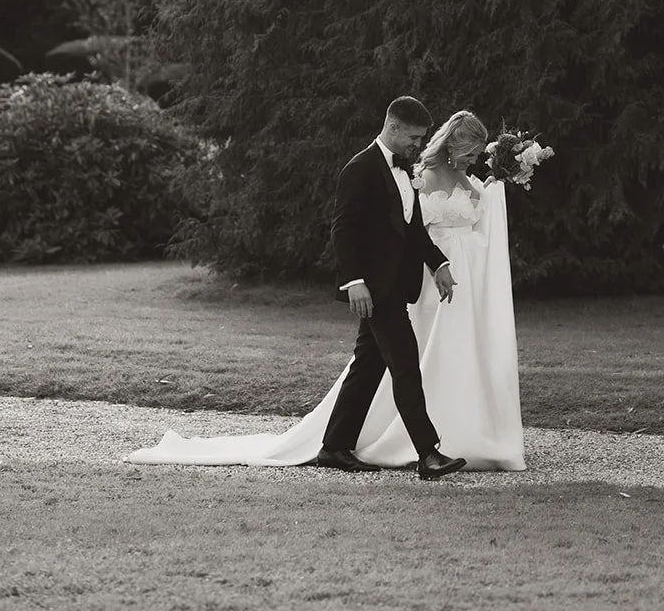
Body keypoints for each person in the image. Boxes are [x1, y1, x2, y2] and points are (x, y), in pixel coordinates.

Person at [125, 101, 525, 473]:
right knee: (405, 366)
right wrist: (354, 282)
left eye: (422, 139)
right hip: (373, 288)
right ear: (392, 126)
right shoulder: (361, 168)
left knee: (368, 368)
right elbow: (343, 230)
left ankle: (334, 446)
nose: (418, 145)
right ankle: (428, 454)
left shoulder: (405, 173)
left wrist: (438, 263)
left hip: (393, 286)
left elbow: (413, 230)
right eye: (413, 137)